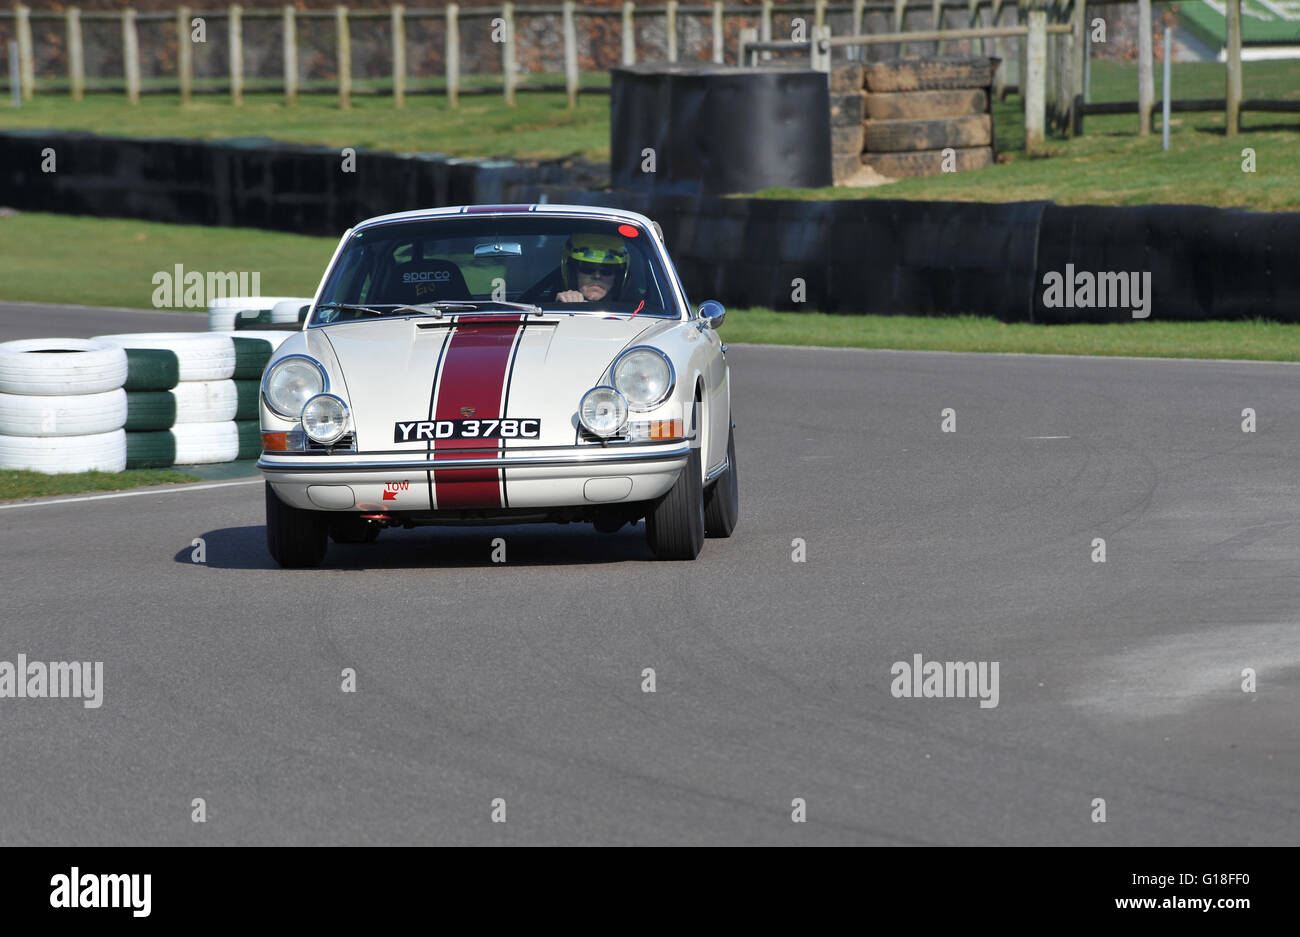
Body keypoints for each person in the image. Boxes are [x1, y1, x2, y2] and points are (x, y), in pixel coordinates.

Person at [556, 233, 631, 303]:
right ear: (573, 272)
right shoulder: (550, 306)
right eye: (588, 268)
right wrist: (562, 304)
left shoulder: (636, 310)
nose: (597, 276)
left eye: (607, 270)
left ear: (617, 276)